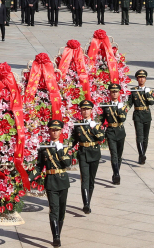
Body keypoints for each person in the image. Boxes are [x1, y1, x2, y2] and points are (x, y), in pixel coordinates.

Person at [35, 119, 72, 248]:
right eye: (52, 130)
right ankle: (55, 237)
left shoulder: (65, 146)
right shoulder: (44, 147)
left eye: (57, 130)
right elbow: (39, 166)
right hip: (51, 181)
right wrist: (29, 177)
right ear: (49, 131)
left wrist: (61, 151)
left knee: (61, 211)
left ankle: (58, 234)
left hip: (62, 180)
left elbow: (67, 163)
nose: (55, 132)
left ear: (61, 131)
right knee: (54, 209)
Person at [71, 100, 104, 214]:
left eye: (87, 109)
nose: (85, 111)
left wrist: (93, 128)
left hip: (94, 152)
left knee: (91, 180)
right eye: (83, 109)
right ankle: (86, 204)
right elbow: (73, 140)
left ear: (91, 110)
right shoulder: (78, 125)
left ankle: (88, 201)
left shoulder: (97, 124)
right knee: (84, 179)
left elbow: (100, 138)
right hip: (83, 152)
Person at [100, 83, 129, 185]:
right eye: (113, 92)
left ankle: (116, 172)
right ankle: (117, 174)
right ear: (110, 93)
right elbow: (101, 120)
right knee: (114, 154)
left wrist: (120, 109)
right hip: (111, 131)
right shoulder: (106, 106)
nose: (114, 94)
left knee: (119, 155)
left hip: (120, 130)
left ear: (119, 93)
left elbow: (122, 118)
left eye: (116, 92)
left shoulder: (123, 105)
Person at [127, 69, 154, 164]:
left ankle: (142, 155)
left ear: (146, 79)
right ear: (137, 79)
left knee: (145, 137)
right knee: (139, 136)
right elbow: (129, 104)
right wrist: (123, 110)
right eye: (140, 77)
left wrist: (147, 93)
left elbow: (151, 102)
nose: (142, 79)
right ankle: (142, 155)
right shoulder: (133, 91)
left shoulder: (149, 90)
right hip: (138, 114)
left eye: (143, 77)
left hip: (146, 114)